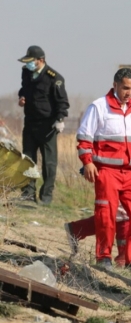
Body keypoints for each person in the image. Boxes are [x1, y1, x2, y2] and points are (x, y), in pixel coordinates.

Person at [65, 79, 131, 271]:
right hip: (107, 171)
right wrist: (87, 162)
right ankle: (103, 257)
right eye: (126, 88)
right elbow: (84, 137)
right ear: (115, 85)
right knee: (107, 215)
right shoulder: (99, 107)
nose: (129, 93)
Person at [17, 45, 69, 205]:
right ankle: (28, 193)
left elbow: (62, 102)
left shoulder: (54, 78)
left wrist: (60, 119)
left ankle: (46, 197)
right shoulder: (27, 72)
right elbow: (23, 90)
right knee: (28, 160)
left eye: (31, 61)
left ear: (41, 60)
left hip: (47, 127)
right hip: (30, 123)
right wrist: (22, 97)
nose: (28, 65)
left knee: (49, 163)